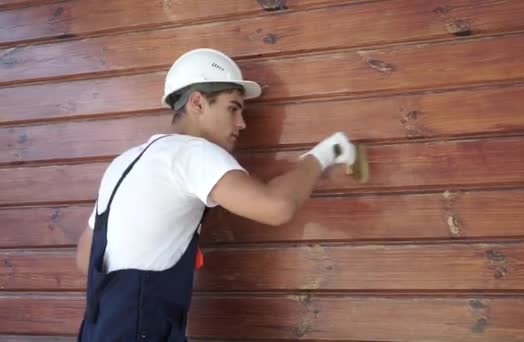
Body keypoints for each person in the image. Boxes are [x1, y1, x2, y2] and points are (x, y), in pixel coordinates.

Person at [74, 48, 356, 341]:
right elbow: (276, 207)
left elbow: (86, 257)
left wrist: (162, 245)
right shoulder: (193, 151)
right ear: (197, 102)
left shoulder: (124, 162)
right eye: (233, 108)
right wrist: (324, 154)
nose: (242, 123)